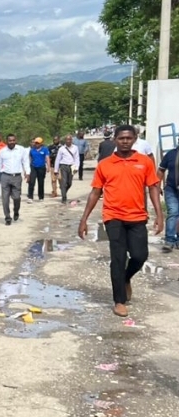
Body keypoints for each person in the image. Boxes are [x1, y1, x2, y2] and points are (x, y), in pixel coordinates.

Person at [78, 124, 163, 317]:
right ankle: (119, 301)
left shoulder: (144, 162)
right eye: (121, 138)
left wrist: (159, 214)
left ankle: (125, 278)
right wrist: (84, 219)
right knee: (118, 258)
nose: (125, 141)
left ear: (134, 139)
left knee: (140, 256)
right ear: (115, 139)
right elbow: (95, 192)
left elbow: (153, 188)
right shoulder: (105, 164)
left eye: (128, 138)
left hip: (137, 216)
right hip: (113, 216)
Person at [0, 134, 30, 225]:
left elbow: (26, 161)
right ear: (7, 141)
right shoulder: (2, 151)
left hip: (17, 177)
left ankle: (16, 211)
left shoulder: (21, 150)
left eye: (13, 140)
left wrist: (28, 172)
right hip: (5, 176)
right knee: (5, 199)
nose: (12, 142)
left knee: (17, 197)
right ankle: (7, 217)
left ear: (16, 140)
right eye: (10, 140)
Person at [158, 141, 179, 252]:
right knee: (173, 212)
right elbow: (161, 170)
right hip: (171, 189)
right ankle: (169, 240)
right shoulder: (171, 154)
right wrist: (158, 186)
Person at [54, 135, 80, 204]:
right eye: (67, 140)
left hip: (72, 166)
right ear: (65, 140)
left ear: (71, 140)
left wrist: (77, 167)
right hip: (63, 166)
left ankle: (63, 191)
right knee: (64, 182)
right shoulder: (61, 149)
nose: (68, 141)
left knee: (69, 183)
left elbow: (77, 158)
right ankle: (64, 197)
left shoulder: (75, 148)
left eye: (69, 139)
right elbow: (58, 159)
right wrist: (56, 170)